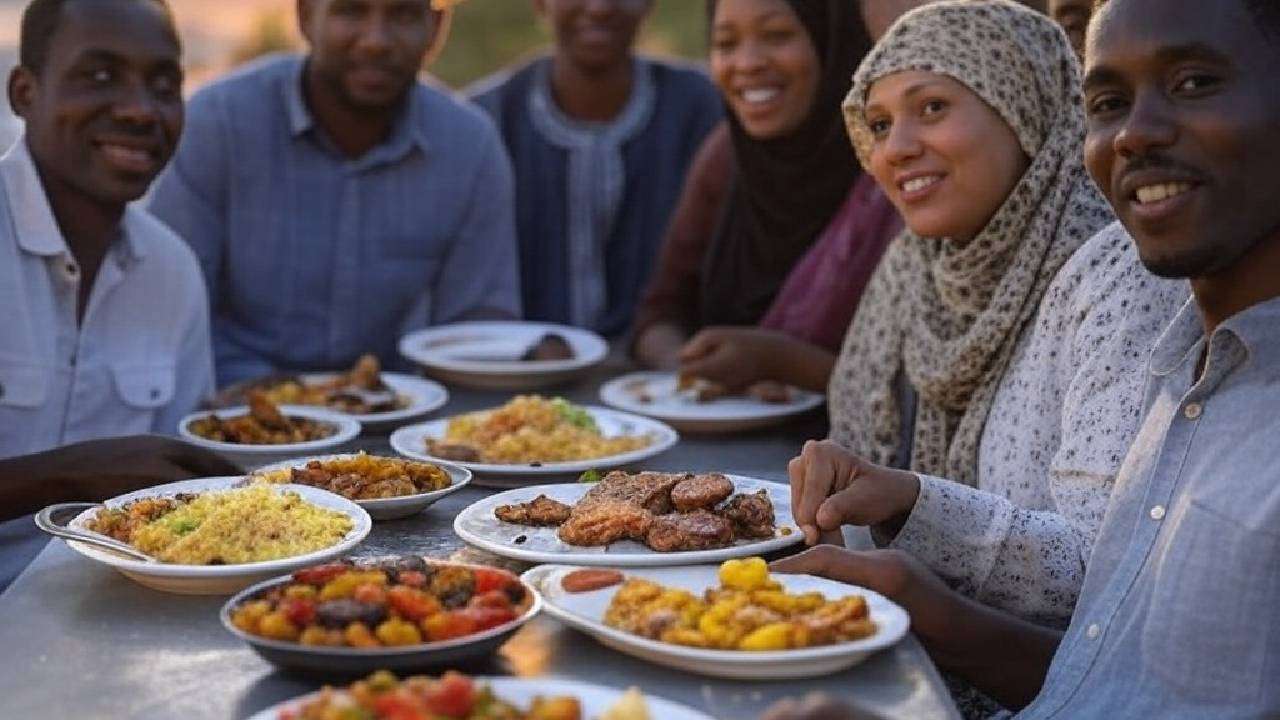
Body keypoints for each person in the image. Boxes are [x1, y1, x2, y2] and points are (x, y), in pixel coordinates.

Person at [768, 0, 1280, 716]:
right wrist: (920, 572)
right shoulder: (1192, 360)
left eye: (1194, 83)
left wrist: (925, 553)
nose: (1136, 132)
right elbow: (1108, 677)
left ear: (1025, 107)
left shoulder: (1131, 280)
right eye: (1107, 101)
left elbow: (1089, 600)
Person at [150, 0, 520, 387]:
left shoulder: (469, 145)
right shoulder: (220, 121)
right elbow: (166, 308)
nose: (376, 41)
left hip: (394, 413)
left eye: (404, 15)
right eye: (351, 11)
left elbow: (477, 328)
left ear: (436, 29)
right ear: (306, 17)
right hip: (229, 406)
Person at [0, 0, 240, 590]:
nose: (139, 111)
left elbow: (181, 499)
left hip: (110, 613)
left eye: (164, 86)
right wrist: (66, 476)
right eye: (99, 77)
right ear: (25, 93)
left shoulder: (172, 271)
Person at [630, 0, 895, 369]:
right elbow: (661, 312)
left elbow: (916, 387)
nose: (747, 63)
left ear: (833, 41)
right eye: (726, 43)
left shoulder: (892, 168)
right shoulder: (726, 157)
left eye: (777, 36)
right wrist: (685, 371)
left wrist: (785, 365)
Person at [467, 0, 721, 337]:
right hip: (512, 374)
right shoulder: (482, 123)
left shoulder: (706, 111)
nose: (600, 8)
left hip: (663, 376)